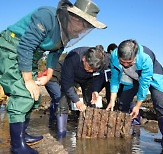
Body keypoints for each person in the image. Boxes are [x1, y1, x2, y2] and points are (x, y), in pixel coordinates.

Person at [0, 0, 106, 153]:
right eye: (84, 26)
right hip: (12, 47)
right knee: (24, 93)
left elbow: (55, 53)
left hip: (32, 55)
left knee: (35, 97)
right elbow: (26, 46)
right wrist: (28, 80)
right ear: (75, 18)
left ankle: (23, 134)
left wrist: (49, 74)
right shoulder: (47, 16)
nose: (83, 31)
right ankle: (17, 145)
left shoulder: (67, 32)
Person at [106, 39, 163, 153]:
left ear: (135, 56)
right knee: (123, 102)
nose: (125, 65)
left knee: (159, 103)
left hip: (153, 77)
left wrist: (138, 106)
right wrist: (112, 100)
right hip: (131, 78)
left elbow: (144, 84)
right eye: (122, 62)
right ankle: (124, 135)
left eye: (129, 62)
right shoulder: (114, 56)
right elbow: (115, 79)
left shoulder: (146, 58)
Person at [56, 46, 105, 138]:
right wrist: (77, 100)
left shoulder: (101, 60)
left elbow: (99, 76)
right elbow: (67, 83)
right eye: (89, 67)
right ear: (83, 59)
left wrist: (95, 90)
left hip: (88, 80)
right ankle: (61, 133)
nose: (91, 71)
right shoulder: (72, 57)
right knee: (64, 100)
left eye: (93, 70)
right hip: (71, 77)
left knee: (90, 101)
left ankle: (89, 130)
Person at [45, 60, 63, 127]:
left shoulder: (62, 63)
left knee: (54, 98)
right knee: (59, 97)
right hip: (51, 80)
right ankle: (58, 118)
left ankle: (52, 118)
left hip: (51, 80)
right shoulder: (66, 64)